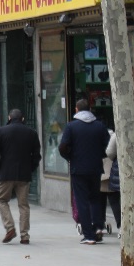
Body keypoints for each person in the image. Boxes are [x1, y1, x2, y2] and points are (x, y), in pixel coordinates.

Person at [59, 99, 110, 244]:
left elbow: (62, 147)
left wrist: (70, 157)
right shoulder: (99, 126)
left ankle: (88, 235)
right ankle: (98, 226)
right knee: (95, 198)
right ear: (90, 109)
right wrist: (99, 155)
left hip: (78, 168)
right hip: (95, 167)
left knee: (82, 201)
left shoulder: (71, 127)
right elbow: (107, 146)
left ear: (76, 110)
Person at [0, 108, 40, 244]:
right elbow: (36, 155)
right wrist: (31, 168)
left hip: (6, 173)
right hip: (24, 174)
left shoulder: (1, 131)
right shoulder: (31, 133)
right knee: (24, 205)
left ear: (9, 117)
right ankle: (24, 235)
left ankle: (10, 227)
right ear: (22, 118)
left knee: (2, 201)